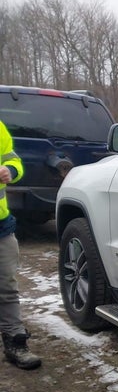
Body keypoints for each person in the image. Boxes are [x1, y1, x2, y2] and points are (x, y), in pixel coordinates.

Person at [0, 119, 41, 369]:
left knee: (7, 287)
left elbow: (13, 160)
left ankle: (15, 343)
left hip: (1, 227)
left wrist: (10, 170)